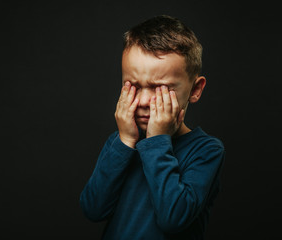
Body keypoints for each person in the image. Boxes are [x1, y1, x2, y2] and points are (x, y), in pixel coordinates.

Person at [80, 14, 225, 239]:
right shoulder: (120, 141)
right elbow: (93, 209)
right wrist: (125, 142)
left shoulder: (206, 150)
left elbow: (173, 219)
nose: (145, 101)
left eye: (161, 88)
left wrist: (157, 142)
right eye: (133, 85)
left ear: (195, 90)